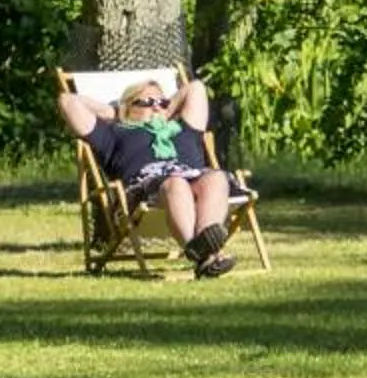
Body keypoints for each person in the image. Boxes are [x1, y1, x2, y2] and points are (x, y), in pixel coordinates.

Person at [59, 73, 238, 277]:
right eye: (146, 101)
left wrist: (164, 111)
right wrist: (114, 111)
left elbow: (196, 87)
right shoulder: (115, 133)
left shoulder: (183, 128)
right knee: (175, 183)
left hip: (194, 178)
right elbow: (67, 101)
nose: (156, 106)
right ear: (127, 106)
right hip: (146, 187)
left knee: (216, 178)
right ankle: (200, 250)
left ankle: (205, 253)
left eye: (162, 101)